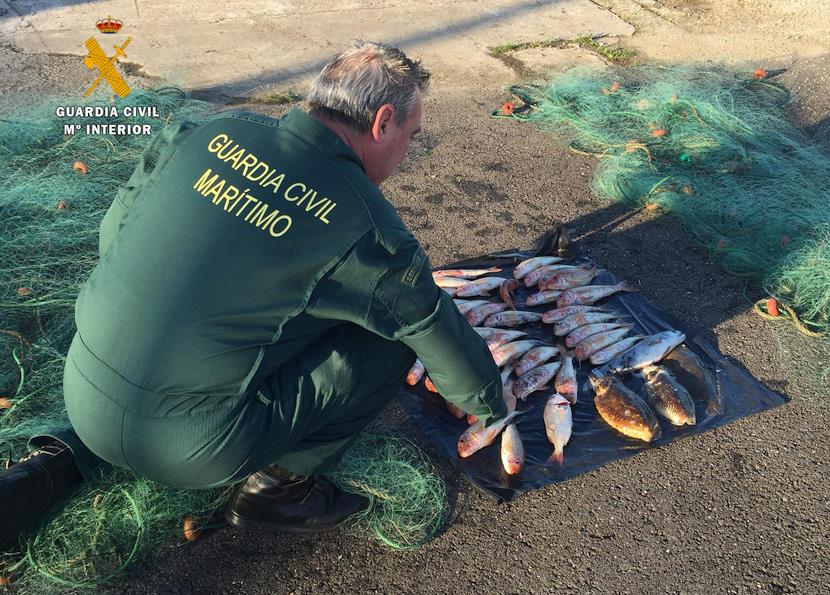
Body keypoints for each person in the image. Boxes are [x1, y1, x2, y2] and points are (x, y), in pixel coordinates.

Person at [0, 41, 507, 544]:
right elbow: (430, 325)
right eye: (410, 136)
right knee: (389, 337)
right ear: (382, 122)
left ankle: (57, 463)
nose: (406, 150)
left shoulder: (209, 129)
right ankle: (281, 487)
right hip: (194, 450)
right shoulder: (366, 227)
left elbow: (115, 235)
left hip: (83, 393)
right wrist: (487, 400)